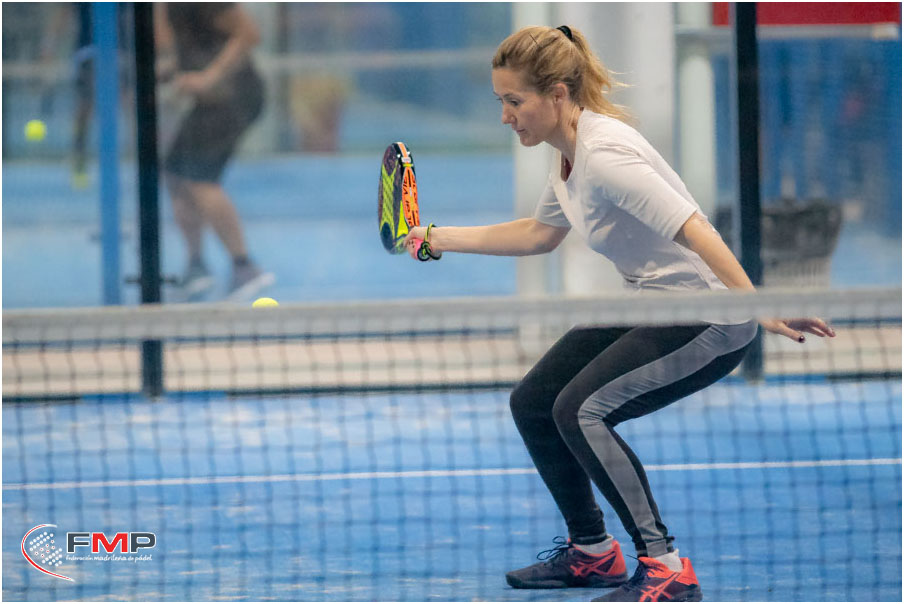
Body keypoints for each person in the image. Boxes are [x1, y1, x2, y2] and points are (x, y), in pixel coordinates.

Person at [405, 25, 835, 602]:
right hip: (653, 301)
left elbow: (696, 228)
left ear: (557, 94)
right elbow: (538, 235)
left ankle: (666, 568)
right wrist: (436, 237)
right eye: (500, 101)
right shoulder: (566, 155)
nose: (505, 116)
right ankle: (592, 552)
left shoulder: (606, 156)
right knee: (534, 402)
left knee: (582, 411)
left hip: (708, 313)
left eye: (514, 101)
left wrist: (754, 305)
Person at [155, 2, 273, 302]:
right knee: (175, 175)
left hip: (234, 99)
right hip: (211, 102)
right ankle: (197, 267)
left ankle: (244, 267)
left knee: (198, 179)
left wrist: (210, 76)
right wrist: (170, 71)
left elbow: (249, 34)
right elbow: (196, 44)